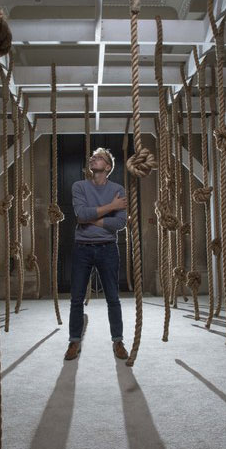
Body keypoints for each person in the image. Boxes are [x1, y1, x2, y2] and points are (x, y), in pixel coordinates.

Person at [65, 147, 128, 360]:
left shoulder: (118, 188)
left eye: (99, 157)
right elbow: (80, 214)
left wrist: (91, 219)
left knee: (113, 298)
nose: (93, 158)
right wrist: (111, 206)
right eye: (92, 156)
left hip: (107, 248)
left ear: (107, 167)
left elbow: (119, 223)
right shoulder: (79, 186)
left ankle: (118, 341)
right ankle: (74, 342)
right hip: (82, 248)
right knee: (77, 299)